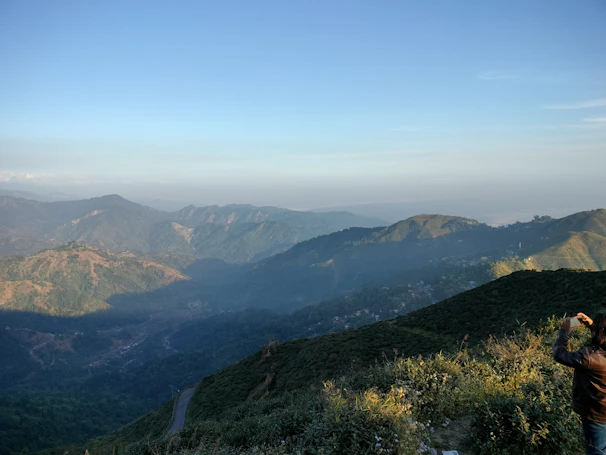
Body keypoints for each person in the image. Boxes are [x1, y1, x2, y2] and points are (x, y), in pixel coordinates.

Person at [554, 311, 606, 455]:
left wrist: (565, 329)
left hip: (598, 412)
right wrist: (593, 326)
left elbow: (559, 354)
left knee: (597, 450)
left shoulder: (590, 358)